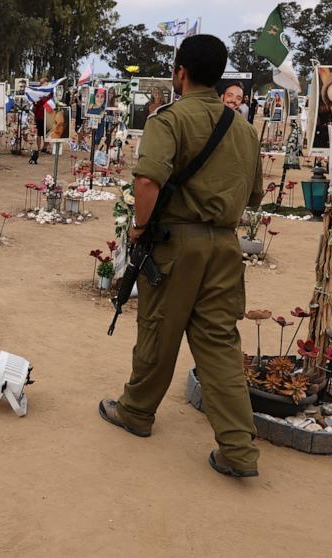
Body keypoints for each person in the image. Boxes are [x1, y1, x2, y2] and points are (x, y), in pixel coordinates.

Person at [98, 34, 263, 478]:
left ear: (180, 72)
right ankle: (239, 449)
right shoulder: (244, 130)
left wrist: (137, 227)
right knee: (220, 345)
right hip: (225, 246)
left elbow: (148, 182)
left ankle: (136, 412)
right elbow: (255, 193)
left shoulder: (167, 120)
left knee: (158, 329)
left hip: (177, 243)